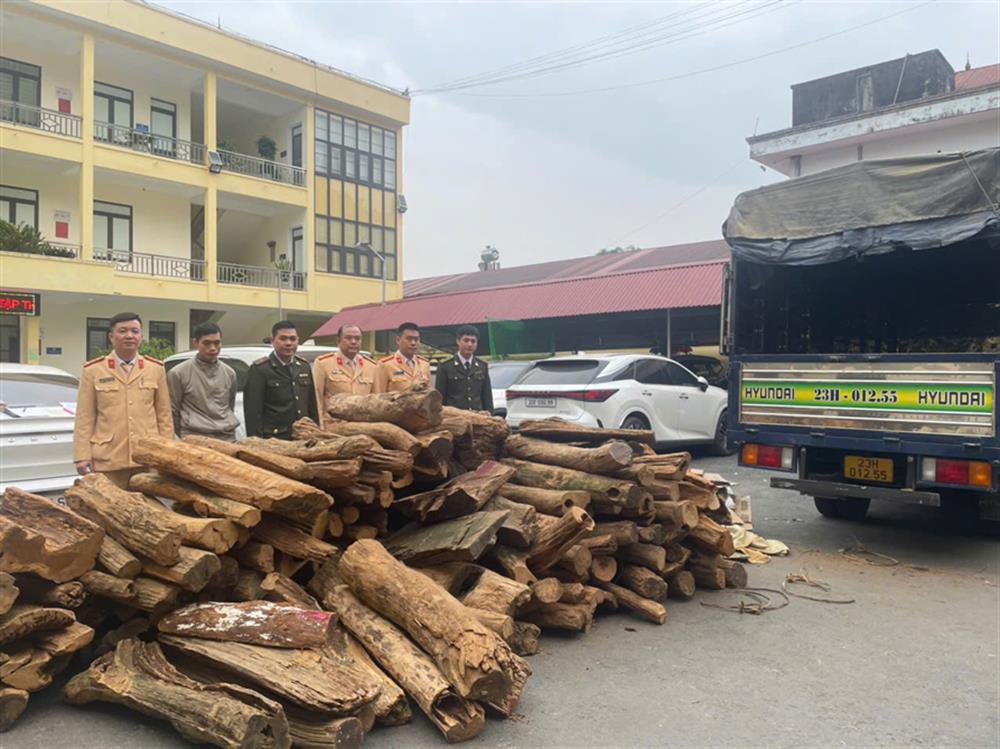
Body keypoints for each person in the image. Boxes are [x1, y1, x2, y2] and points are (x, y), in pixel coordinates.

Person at [72, 312, 173, 488]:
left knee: (150, 511)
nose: (129, 336)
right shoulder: (94, 370)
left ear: (141, 336)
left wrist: (167, 453)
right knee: (108, 510)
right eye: (123, 331)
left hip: (147, 457)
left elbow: (164, 415)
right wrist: (82, 455)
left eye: (135, 331)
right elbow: (84, 418)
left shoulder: (155, 369)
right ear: (111, 337)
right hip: (108, 458)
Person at [243, 320, 318, 439]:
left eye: (293, 339)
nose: (288, 343)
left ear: (298, 341)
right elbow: (253, 413)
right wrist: (256, 443)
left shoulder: (304, 366)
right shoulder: (260, 369)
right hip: (275, 438)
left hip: (303, 437)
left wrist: (316, 434)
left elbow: (312, 407)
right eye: (283, 339)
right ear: (273, 341)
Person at [166, 322, 239, 441]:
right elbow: (172, 410)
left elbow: (230, 405)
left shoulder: (229, 373)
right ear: (195, 343)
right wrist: (185, 436)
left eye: (217, 343)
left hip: (227, 437)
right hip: (194, 438)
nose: (213, 348)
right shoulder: (178, 373)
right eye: (207, 343)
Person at [312, 323, 377, 426]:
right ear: (338, 341)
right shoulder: (323, 363)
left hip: (363, 426)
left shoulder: (371, 366)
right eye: (348, 338)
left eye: (357, 338)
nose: (353, 342)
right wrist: (320, 426)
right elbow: (316, 399)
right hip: (334, 426)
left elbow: (375, 402)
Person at [434, 324, 493, 412]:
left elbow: (487, 398)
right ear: (458, 341)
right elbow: (440, 398)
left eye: (473, 341)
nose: (469, 344)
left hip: (478, 418)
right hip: (455, 419)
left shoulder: (482, 366)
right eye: (466, 340)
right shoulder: (445, 366)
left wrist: (491, 419)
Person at [375, 321, 432, 393]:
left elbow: (430, 395)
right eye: (409, 339)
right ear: (398, 340)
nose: (413, 343)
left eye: (416, 339)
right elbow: (378, 397)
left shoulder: (424, 364)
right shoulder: (385, 365)